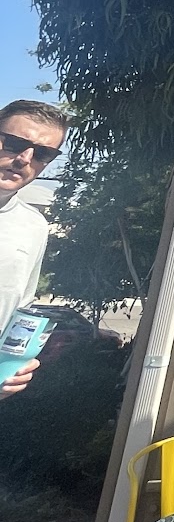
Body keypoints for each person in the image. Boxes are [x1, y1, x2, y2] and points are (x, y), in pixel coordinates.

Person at [0, 99, 69, 397]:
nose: (25, 159)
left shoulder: (34, 226)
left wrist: (11, 371)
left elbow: (19, 313)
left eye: (42, 153)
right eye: (15, 144)